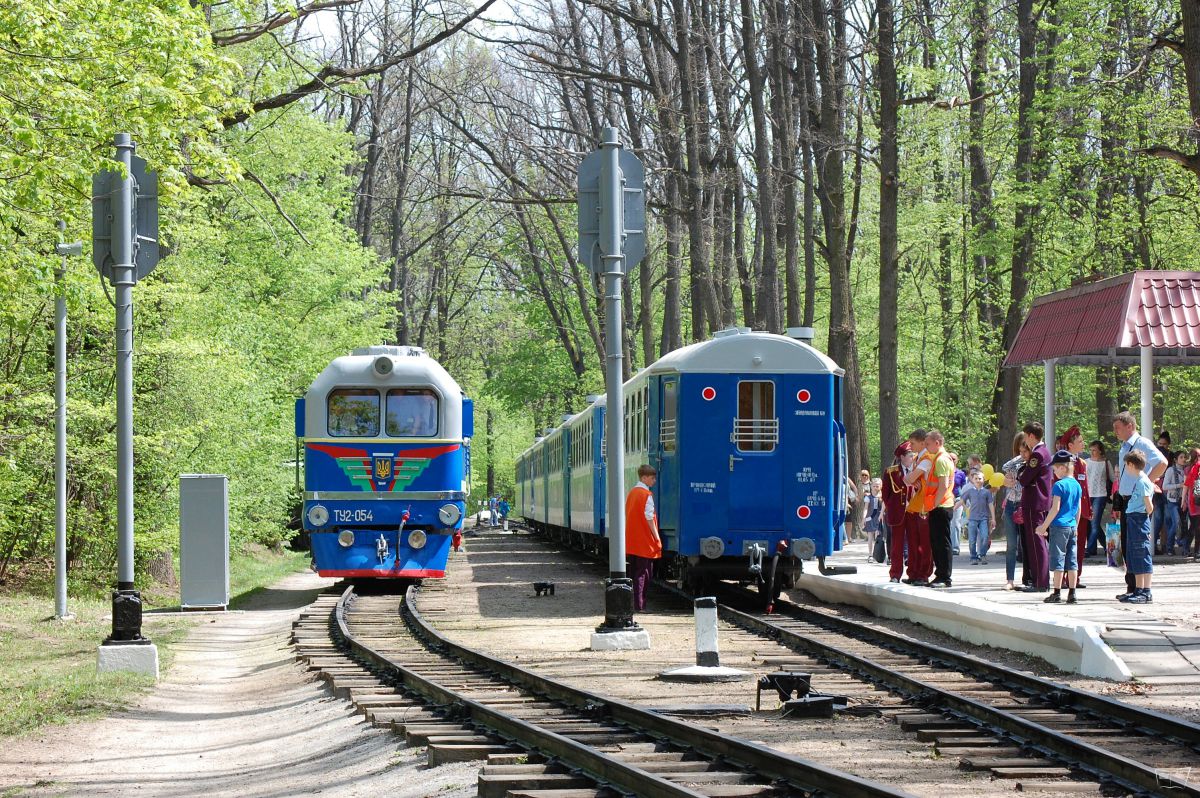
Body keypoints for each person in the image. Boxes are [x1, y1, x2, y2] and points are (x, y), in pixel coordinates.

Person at [1113, 412, 1167, 599]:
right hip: (1127, 501)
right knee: (1128, 546)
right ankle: (1133, 587)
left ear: (1130, 426)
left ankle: (1142, 589)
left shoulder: (1141, 443)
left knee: (1138, 546)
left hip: (1138, 503)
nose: (1115, 431)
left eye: (1118, 427)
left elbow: (1162, 462)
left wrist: (1147, 482)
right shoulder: (1124, 446)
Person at [1037, 450, 1082, 604]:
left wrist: (1043, 527)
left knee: (1058, 560)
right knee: (1072, 560)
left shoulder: (1059, 485)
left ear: (1063, 468)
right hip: (1071, 527)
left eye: (1055, 468)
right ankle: (1072, 593)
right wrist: (1076, 525)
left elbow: (1054, 509)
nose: (1054, 472)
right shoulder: (1077, 485)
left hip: (1058, 527)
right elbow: (1078, 509)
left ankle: (1056, 593)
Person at [1017, 422, 1053, 592]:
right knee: (1037, 541)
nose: (1025, 439)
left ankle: (1041, 582)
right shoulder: (1044, 451)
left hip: (1034, 501)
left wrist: (1019, 475)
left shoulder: (1037, 455)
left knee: (1036, 542)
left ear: (1031, 436)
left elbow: (1025, 479)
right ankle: (1039, 580)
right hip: (1039, 501)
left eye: (1025, 436)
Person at [625, 464, 662, 611]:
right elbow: (649, 518)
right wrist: (657, 537)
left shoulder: (632, 493)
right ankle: (639, 605)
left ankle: (633, 602)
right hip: (644, 541)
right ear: (644, 477)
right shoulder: (646, 495)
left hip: (632, 540)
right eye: (652, 478)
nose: (654, 481)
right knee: (644, 573)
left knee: (633, 572)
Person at [1058, 426, 1091, 588]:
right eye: (1079, 441)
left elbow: (1084, 488)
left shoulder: (1082, 462)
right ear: (1070, 445)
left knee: (1079, 546)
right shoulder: (1065, 463)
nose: (1083, 443)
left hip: (1082, 511)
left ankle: (1075, 578)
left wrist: (1088, 508)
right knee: (1067, 546)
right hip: (1069, 512)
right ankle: (1064, 578)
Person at [922, 430, 956, 588]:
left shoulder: (941, 460)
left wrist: (934, 504)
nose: (926, 447)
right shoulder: (940, 458)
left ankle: (944, 576)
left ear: (937, 443)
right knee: (937, 542)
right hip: (940, 505)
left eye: (927, 444)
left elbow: (943, 485)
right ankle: (940, 575)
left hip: (941, 505)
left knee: (942, 543)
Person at [1121, 450, 1155, 604]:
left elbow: (1149, 506)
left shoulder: (1143, 482)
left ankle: (1145, 591)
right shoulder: (1139, 481)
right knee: (1134, 555)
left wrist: (1144, 522)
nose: (1126, 468)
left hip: (1139, 520)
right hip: (1134, 519)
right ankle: (1138, 589)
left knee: (1142, 555)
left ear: (1131, 464)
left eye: (1126, 465)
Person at [901, 430, 934, 586]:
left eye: (913, 443)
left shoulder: (927, 459)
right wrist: (911, 479)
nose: (910, 446)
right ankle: (913, 572)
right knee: (914, 542)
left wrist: (911, 478)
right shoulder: (917, 459)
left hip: (924, 506)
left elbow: (909, 478)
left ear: (922, 442)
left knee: (924, 543)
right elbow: (908, 480)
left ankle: (923, 574)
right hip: (916, 505)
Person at [882, 442, 917, 583]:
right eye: (910, 455)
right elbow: (886, 494)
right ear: (902, 457)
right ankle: (895, 574)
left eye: (913, 455)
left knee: (914, 544)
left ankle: (913, 573)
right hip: (898, 513)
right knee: (897, 545)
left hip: (914, 512)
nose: (912, 458)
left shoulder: (917, 470)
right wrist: (893, 507)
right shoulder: (891, 472)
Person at [1001, 433, 1027, 591]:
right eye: (1022, 445)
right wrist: (1020, 457)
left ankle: (1028, 577)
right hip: (1011, 505)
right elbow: (1005, 467)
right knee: (1011, 545)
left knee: (1027, 545)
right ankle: (1010, 579)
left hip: (1025, 505)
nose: (1025, 449)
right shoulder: (1014, 464)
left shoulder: (1033, 463)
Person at [1085, 441, 1114, 556]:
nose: (1092, 452)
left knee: (1094, 523)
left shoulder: (1106, 463)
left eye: (1094, 450)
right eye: (1090, 450)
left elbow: (1112, 478)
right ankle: (1108, 546)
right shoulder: (1086, 462)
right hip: (1087, 495)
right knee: (1091, 523)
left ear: (1100, 450)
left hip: (1100, 495)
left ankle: (1091, 549)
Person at [960, 469, 994, 565]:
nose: (978, 480)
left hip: (984, 518)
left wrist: (993, 518)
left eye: (980, 478)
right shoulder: (970, 491)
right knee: (972, 539)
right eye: (976, 479)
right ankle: (973, 557)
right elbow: (961, 500)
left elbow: (991, 505)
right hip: (972, 518)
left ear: (983, 480)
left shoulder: (987, 492)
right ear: (972, 480)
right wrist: (965, 508)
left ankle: (982, 555)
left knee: (984, 536)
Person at [1162, 451, 1186, 555]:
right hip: (1172, 501)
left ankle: (1184, 547)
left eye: (1185, 457)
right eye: (1181, 457)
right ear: (1176, 460)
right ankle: (1169, 547)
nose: (1184, 459)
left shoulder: (1186, 471)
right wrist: (1179, 485)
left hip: (1183, 501)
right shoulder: (1170, 470)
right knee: (1176, 523)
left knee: (1183, 525)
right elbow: (1164, 487)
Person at [1184, 448, 1200, 560]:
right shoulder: (1190, 469)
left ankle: (1196, 551)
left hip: (1193, 501)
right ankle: (1189, 548)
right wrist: (1183, 500)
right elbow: (1186, 485)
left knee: (1196, 527)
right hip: (1194, 502)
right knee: (1195, 527)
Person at [864, 477, 884, 562]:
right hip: (870, 519)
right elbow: (865, 508)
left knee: (879, 537)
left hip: (880, 518)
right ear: (871, 486)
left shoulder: (883, 497)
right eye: (874, 486)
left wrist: (882, 515)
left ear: (881, 486)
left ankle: (879, 554)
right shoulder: (868, 497)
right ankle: (870, 554)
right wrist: (863, 518)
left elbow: (884, 508)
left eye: (877, 486)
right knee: (870, 537)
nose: (876, 487)